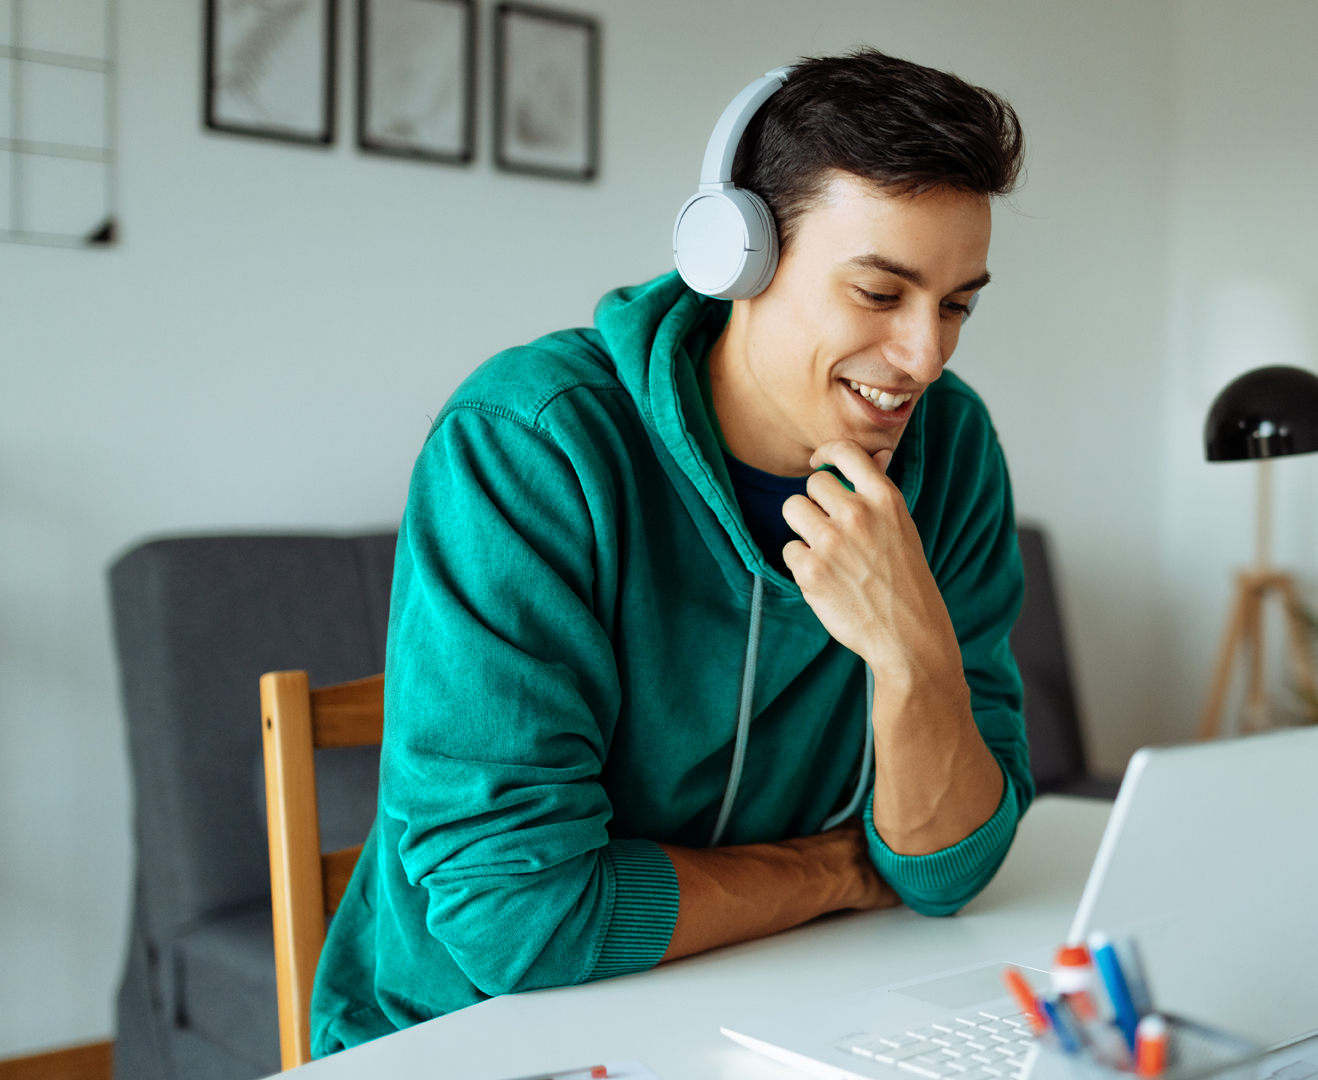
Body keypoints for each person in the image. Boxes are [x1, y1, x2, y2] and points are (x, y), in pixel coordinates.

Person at [309, 49, 1033, 1055]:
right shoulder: (532, 444)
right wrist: (837, 871)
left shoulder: (953, 453)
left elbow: (948, 868)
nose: (927, 356)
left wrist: (915, 658)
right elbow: (520, 921)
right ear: (734, 258)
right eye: (879, 294)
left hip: (779, 1007)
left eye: (956, 304)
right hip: (471, 1036)